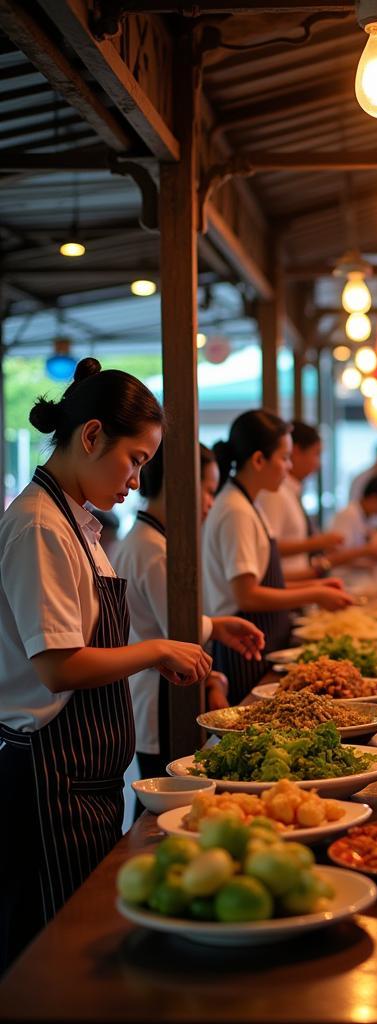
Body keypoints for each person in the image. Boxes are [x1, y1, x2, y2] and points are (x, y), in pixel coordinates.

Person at [0, 359, 212, 970]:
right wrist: (155, 650)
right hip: (45, 777)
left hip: (86, 778)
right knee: (54, 952)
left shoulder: (79, 523)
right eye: (136, 459)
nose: (136, 479)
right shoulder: (38, 526)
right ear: (91, 436)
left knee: (84, 932)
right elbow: (59, 668)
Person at [115, 443, 265, 815]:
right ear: (178, 484)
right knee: (162, 806)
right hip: (160, 699)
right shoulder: (152, 548)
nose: (210, 503)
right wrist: (213, 637)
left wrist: (215, 628)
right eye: (208, 490)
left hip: (157, 693)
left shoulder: (150, 540)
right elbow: (176, 629)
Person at [204, 410, 351, 703]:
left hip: (260, 639)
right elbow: (247, 595)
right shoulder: (235, 510)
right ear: (259, 460)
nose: (288, 467)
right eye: (284, 458)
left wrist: (317, 589)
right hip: (242, 647)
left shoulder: (249, 503)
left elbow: (266, 582)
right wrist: (314, 595)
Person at [256, 421, 343, 580]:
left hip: (293, 589)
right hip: (284, 593)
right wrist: (319, 543)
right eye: (316, 454)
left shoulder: (289, 491)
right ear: (296, 451)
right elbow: (269, 548)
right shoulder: (275, 492)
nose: (319, 464)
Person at [329, 474, 377, 564]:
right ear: (374, 498)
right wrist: (369, 550)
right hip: (344, 574)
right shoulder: (349, 514)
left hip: (358, 572)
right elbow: (336, 554)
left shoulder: (371, 517)